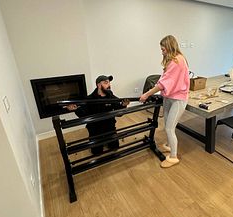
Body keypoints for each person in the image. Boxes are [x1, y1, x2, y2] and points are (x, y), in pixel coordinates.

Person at [140, 35, 190, 168]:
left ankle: (173, 157)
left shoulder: (177, 60)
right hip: (169, 97)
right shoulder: (172, 60)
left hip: (178, 99)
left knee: (169, 128)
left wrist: (147, 94)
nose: (162, 52)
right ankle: (169, 145)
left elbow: (164, 83)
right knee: (167, 122)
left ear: (169, 47)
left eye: (163, 49)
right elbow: (165, 79)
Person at [67, 75, 129, 155]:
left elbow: (119, 113)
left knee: (115, 147)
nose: (109, 85)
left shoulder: (111, 96)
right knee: (97, 152)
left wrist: (123, 105)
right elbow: (84, 116)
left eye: (109, 83)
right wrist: (76, 109)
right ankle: (99, 141)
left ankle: (107, 140)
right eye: (106, 83)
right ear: (99, 85)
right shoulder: (89, 99)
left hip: (109, 127)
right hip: (95, 130)